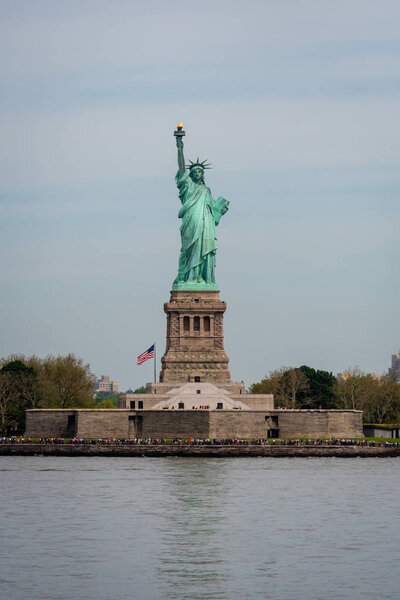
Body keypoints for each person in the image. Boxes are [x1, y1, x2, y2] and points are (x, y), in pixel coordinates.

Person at [174, 134, 229, 286]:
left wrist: (220, 210)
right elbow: (181, 168)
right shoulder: (187, 186)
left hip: (206, 226)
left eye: (200, 171)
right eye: (195, 171)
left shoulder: (206, 190)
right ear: (190, 174)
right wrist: (180, 148)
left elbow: (213, 212)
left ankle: (201, 278)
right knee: (190, 249)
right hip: (191, 222)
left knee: (203, 249)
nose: (198, 173)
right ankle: (189, 277)